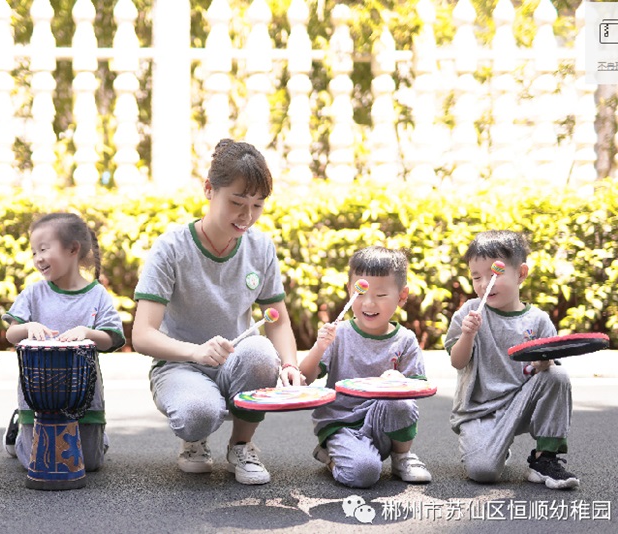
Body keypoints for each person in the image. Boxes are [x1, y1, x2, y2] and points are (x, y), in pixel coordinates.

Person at [132, 139, 301, 485]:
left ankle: (242, 445)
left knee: (260, 354)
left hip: (235, 361)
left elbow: (277, 319)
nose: (247, 216)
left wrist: (289, 365)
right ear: (209, 190)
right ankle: (194, 440)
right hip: (179, 364)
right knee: (198, 413)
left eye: (257, 204)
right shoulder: (171, 249)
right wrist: (195, 351)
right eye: (237, 202)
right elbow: (142, 334)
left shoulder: (260, 247)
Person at [446, 230, 578, 489]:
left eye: (495, 274)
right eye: (476, 277)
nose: (484, 284)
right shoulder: (468, 313)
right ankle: (495, 447)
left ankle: (545, 459)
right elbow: (457, 362)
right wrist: (467, 336)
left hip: (521, 405)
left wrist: (544, 364)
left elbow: (548, 369)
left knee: (557, 376)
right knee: (483, 472)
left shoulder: (538, 321)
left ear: (521, 273)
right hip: (479, 411)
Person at [300, 246, 432, 488]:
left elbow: (418, 388)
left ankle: (401, 457)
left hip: (382, 423)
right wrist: (319, 347)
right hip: (342, 423)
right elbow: (304, 378)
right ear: (350, 290)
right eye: (360, 293)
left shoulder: (405, 339)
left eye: (381, 295)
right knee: (364, 474)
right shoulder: (338, 335)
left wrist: (399, 381)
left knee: (401, 401)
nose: (369, 303)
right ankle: (329, 455)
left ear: (402, 297)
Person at [2, 213, 125, 472]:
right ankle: (18, 431)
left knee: (90, 464)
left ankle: (96, 435)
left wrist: (87, 332)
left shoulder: (96, 294)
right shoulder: (35, 293)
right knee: (36, 463)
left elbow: (110, 339)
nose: (38, 258)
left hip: (85, 396)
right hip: (38, 396)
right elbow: (11, 335)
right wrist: (27, 326)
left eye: (44, 249)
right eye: (33, 252)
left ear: (72, 249)